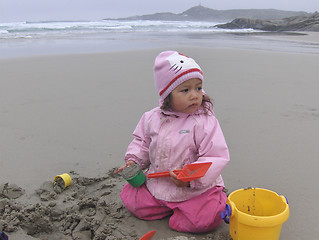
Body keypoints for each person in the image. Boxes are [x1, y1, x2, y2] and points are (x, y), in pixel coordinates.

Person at [117, 50, 230, 233]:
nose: (194, 95)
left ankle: (194, 209)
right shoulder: (151, 118)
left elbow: (215, 156)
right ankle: (169, 208)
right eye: (185, 90)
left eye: (198, 88)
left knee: (207, 218)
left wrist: (190, 180)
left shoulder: (205, 121)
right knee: (132, 200)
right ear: (167, 94)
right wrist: (134, 161)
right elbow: (141, 143)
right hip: (160, 185)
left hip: (195, 190)